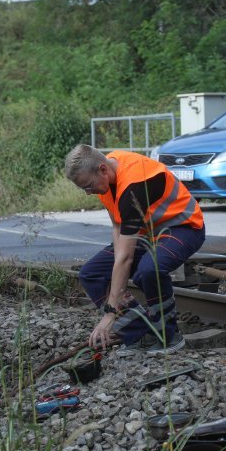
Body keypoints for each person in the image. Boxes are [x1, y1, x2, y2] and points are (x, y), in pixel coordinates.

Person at [64, 144, 205, 354]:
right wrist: (117, 258)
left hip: (183, 227)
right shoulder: (107, 174)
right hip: (147, 234)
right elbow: (117, 225)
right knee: (91, 274)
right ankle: (141, 333)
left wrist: (110, 314)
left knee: (149, 270)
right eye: (84, 188)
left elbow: (126, 258)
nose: (88, 193)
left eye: (89, 186)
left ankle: (169, 336)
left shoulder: (133, 186)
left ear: (102, 169)